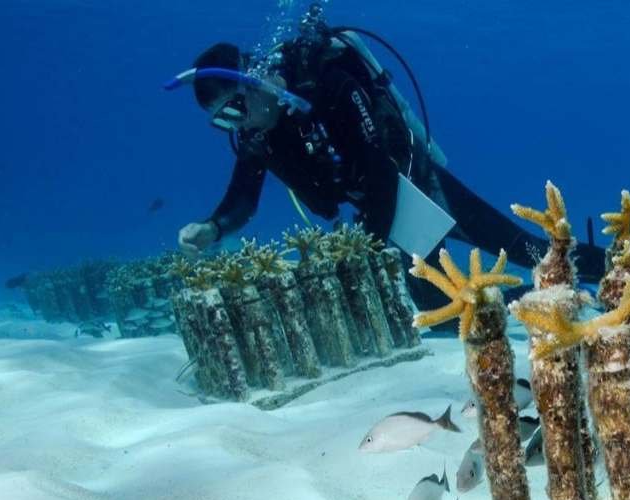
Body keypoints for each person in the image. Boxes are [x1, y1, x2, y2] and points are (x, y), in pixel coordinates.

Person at [170, 9, 604, 305]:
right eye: (222, 123)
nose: (236, 126)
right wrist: (213, 227)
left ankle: (626, 270)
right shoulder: (259, 133)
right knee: (432, 299)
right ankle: (515, 301)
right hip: (379, 212)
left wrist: (364, 248)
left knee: (526, 251)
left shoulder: (328, 83)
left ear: (253, 79)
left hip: (414, 185)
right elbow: (243, 196)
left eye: (234, 110)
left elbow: (379, 168)